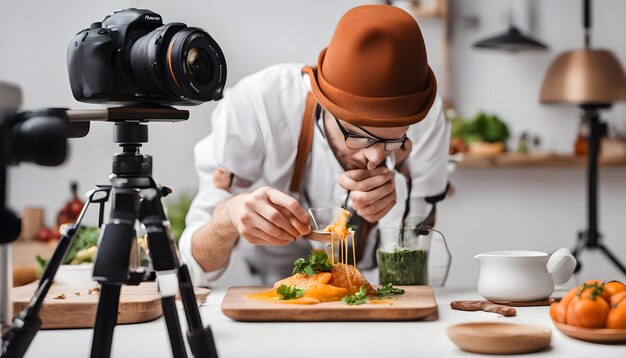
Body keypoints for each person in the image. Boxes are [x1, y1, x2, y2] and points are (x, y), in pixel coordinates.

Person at [179, 4, 449, 286]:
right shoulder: (257, 106)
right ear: (322, 100)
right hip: (271, 282)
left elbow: (415, 242)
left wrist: (398, 197)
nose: (373, 156)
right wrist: (228, 216)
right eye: (359, 134)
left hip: (373, 285)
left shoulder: (427, 119)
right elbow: (193, 267)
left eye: (394, 139)